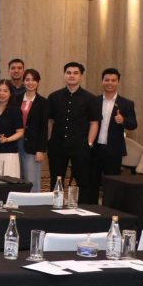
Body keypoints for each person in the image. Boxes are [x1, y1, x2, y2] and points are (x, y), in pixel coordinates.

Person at [48, 62, 101, 204]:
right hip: (57, 145)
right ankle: (54, 206)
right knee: (56, 179)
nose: (72, 75)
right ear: (64, 75)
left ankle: (84, 209)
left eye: (75, 73)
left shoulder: (90, 98)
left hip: (81, 146)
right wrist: (49, 140)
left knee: (83, 180)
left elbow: (94, 123)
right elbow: (50, 121)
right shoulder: (54, 96)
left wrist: (89, 143)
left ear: (81, 76)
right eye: (69, 72)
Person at [92, 67, 138, 190]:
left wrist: (123, 120)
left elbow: (133, 124)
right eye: (107, 80)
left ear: (118, 82)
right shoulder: (94, 101)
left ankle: (109, 203)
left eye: (113, 80)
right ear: (102, 81)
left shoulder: (126, 103)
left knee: (111, 184)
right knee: (92, 182)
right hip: (94, 149)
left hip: (114, 150)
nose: (110, 83)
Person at [19, 69, 48, 192]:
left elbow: (44, 127)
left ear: (38, 82)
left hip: (33, 145)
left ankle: (33, 201)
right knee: (15, 177)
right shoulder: (16, 99)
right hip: (15, 142)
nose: (30, 83)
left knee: (32, 179)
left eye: (34, 80)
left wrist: (40, 149)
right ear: (23, 82)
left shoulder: (43, 102)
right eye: (27, 80)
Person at [0, 79, 24, 177]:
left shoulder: (15, 110)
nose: (1, 93)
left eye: (5, 91)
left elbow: (20, 132)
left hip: (9, 153)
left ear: (10, 93)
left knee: (9, 182)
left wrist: (7, 139)